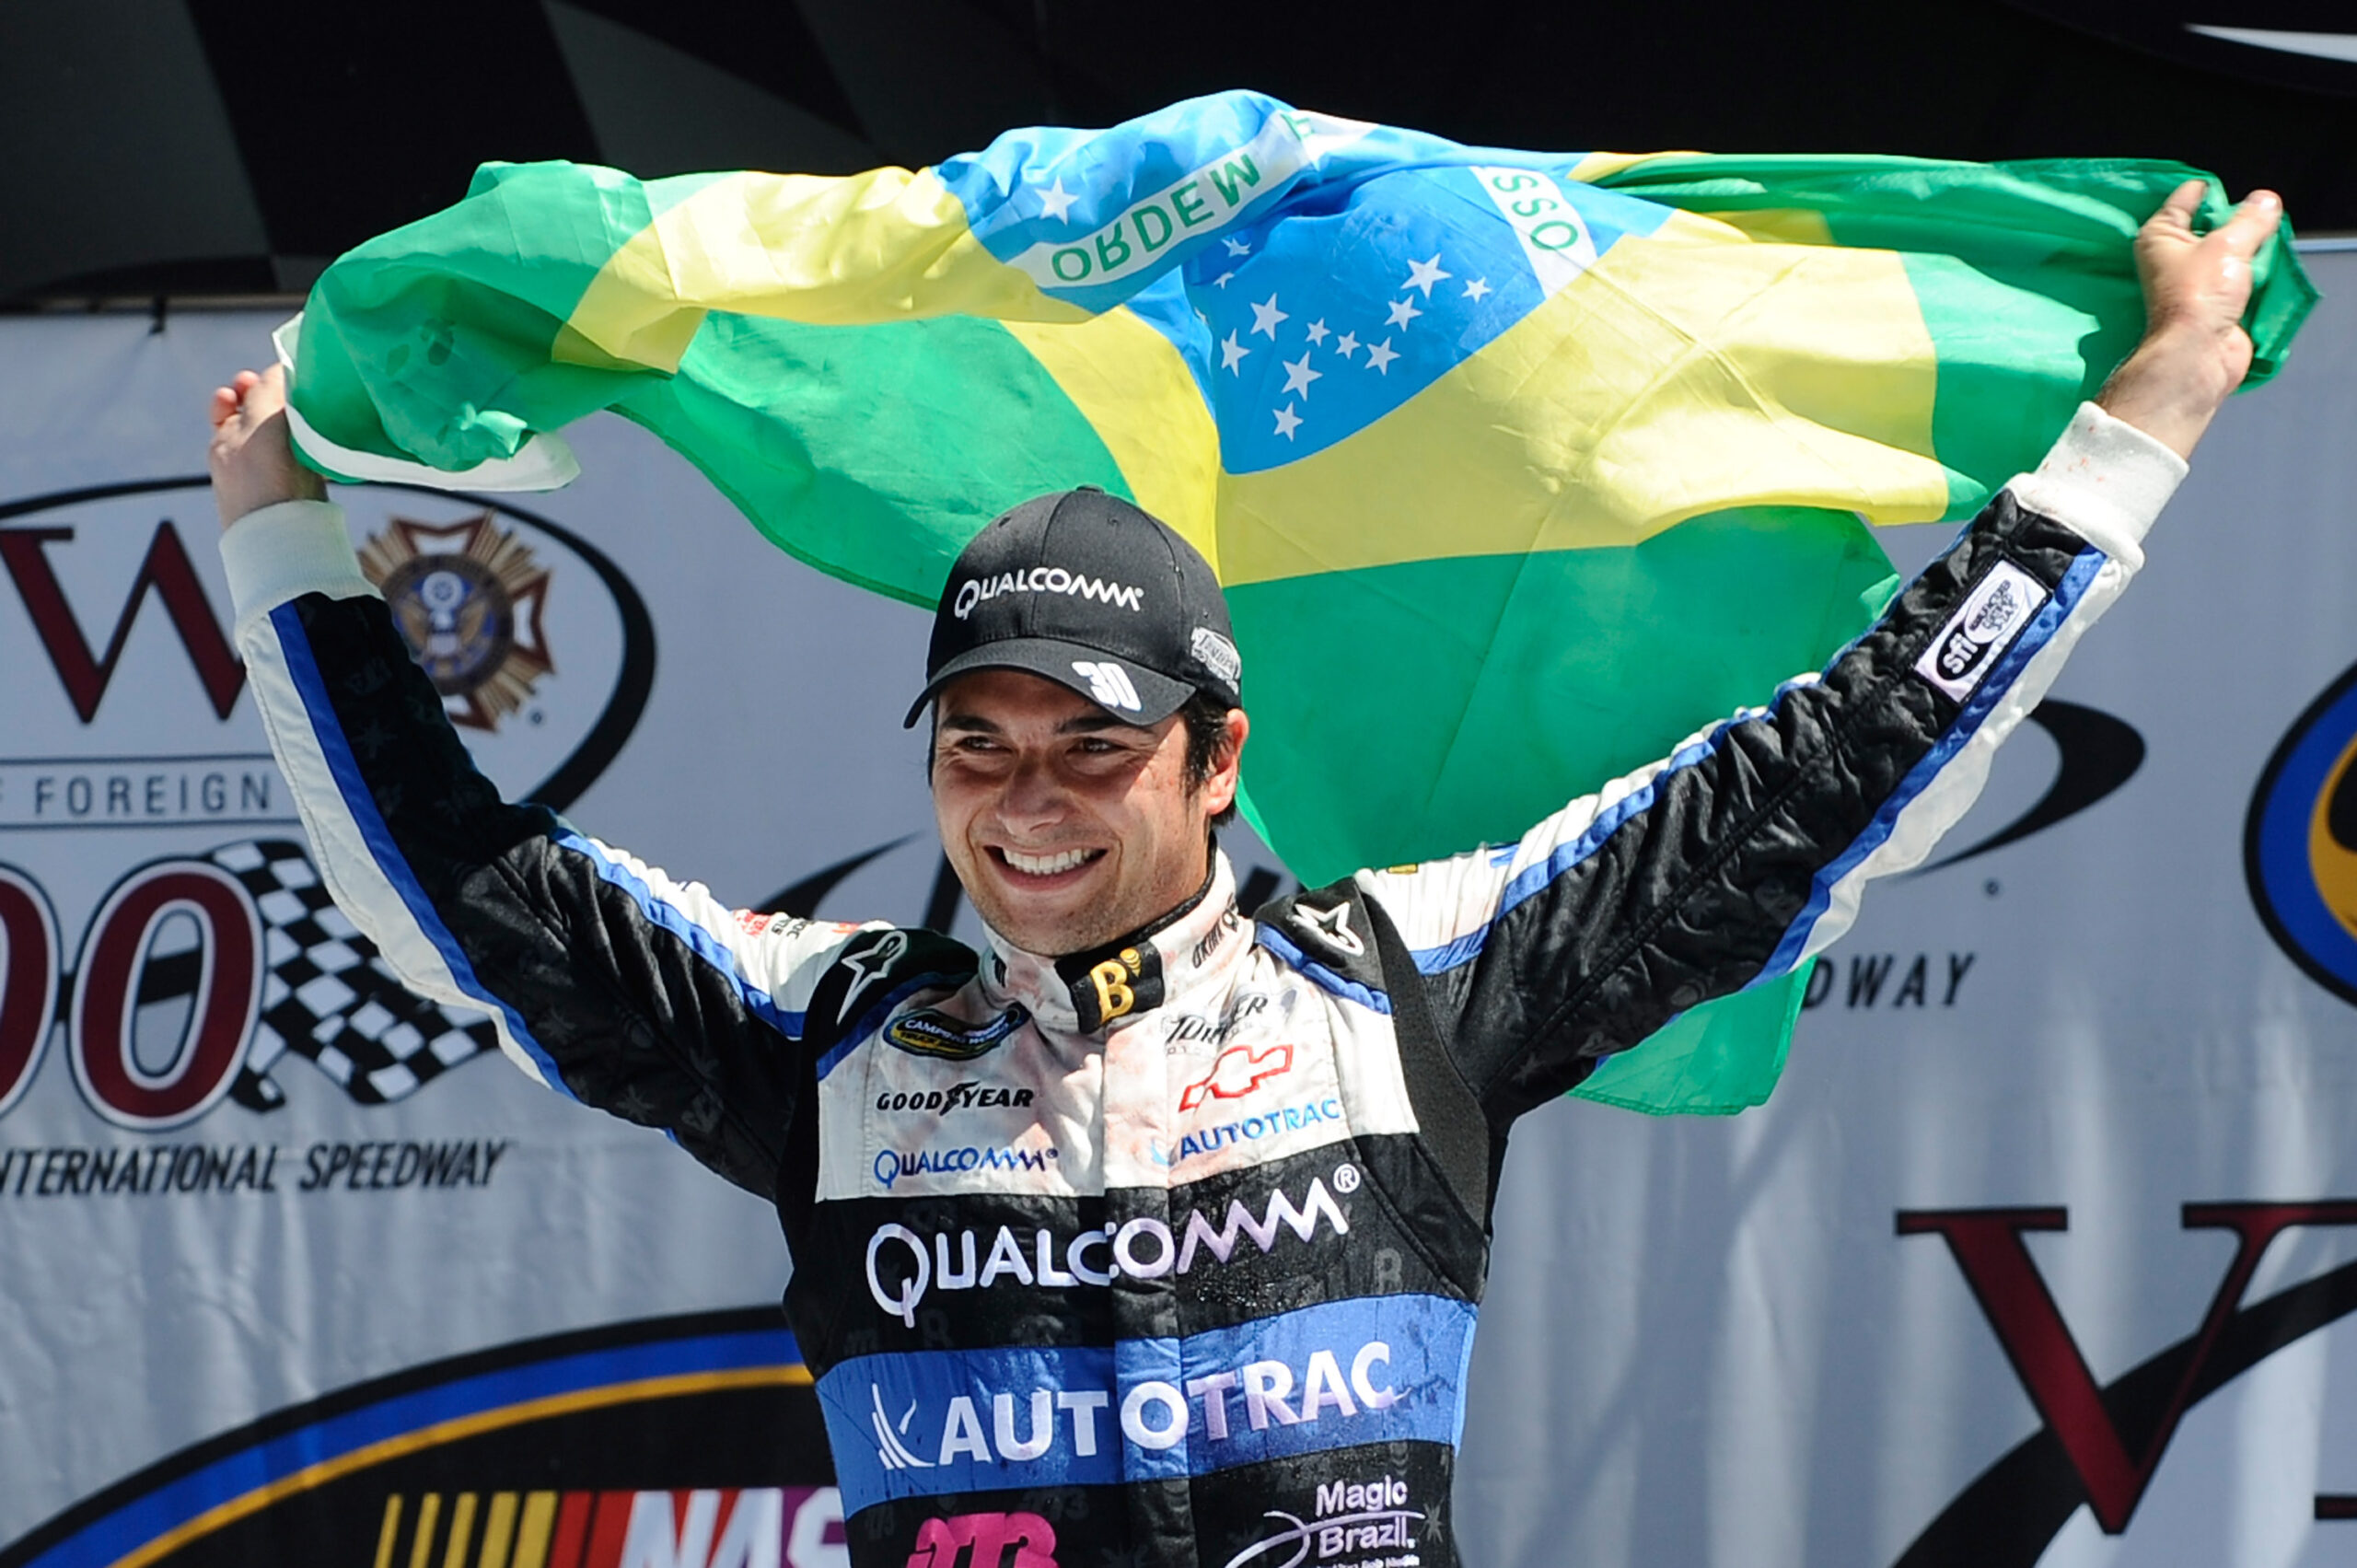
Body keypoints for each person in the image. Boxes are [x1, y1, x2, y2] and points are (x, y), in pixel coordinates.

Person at [208, 181, 2280, 1568]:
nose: (1026, 801)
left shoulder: (1406, 985)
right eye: (976, 745)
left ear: (1216, 760)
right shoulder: (826, 1040)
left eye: (1092, 746)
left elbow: (1832, 768)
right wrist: (276, 527)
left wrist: (2151, 408)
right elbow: (457, 878)